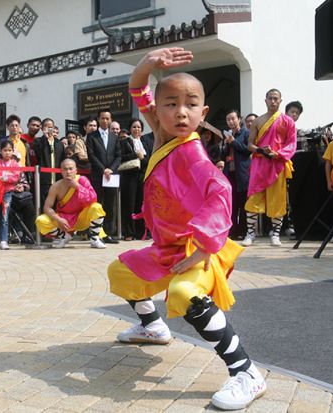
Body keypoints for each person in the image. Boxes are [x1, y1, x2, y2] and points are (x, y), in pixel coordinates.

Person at [108, 47, 265, 411]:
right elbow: (138, 90)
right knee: (121, 271)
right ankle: (152, 326)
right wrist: (148, 64)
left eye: (191, 104)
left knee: (184, 295)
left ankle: (246, 372)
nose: (181, 112)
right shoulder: (163, 135)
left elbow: (221, 190)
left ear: (203, 112)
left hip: (196, 250)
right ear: (158, 111)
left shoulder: (193, 154)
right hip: (166, 248)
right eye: (171, 104)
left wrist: (204, 249)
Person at [242, 89, 297, 247]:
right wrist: (260, 150)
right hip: (260, 164)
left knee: (277, 200)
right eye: (270, 98)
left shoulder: (288, 121)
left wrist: (278, 153)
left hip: (277, 164)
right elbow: (250, 144)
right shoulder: (258, 121)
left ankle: (276, 234)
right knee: (253, 198)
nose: (273, 101)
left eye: (276, 99)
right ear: (265, 100)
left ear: (280, 101)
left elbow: (291, 144)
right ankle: (250, 234)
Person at [35, 158, 106, 249]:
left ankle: (95, 238)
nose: (68, 172)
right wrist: (59, 219)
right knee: (40, 220)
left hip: (82, 217)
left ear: (76, 170)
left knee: (97, 207)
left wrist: (78, 187)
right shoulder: (56, 186)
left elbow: (93, 198)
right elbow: (47, 207)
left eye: (70, 169)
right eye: (65, 169)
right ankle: (64, 236)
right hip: (64, 220)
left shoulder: (82, 180)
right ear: (61, 171)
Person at [86, 109, 121, 242]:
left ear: (110, 120)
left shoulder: (114, 137)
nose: (105, 121)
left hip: (111, 177)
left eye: (107, 118)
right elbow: (91, 155)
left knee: (110, 205)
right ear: (99, 119)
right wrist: (103, 169)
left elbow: (118, 156)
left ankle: (108, 233)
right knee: (97, 205)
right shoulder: (92, 136)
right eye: (103, 118)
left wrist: (111, 169)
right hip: (97, 175)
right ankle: (96, 234)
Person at [223, 109, 251, 240]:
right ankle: (233, 231)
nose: (231, 121)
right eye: (228, 119)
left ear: (239, 119)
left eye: (233, 118)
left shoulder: (246, 133)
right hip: (230, 173)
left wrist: (233, 141)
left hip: (242, 173)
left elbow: (247, 150)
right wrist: (227, 145)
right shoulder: (227, 135)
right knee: (232, 204)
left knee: (243, 204)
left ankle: (244, 231)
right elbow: (223, 155)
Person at [119, 118, 146, 241]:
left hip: (142, 176)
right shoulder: (125, 142)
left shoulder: (145, 142)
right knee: (128, 204)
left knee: (140, 204)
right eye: (134, 127)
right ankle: (128, 232)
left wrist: (143, 158)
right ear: (130, 129)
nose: (136, 129)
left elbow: (149, 159)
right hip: (129, 176)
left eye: (139, 127)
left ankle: (140, 232)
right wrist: (136, 155)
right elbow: (121, 158)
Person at [33, 118, 65, 208]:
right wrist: (45, 139)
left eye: (51, 127)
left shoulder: (59, 144)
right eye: (46, 127)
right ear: (42, 128)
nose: (49, 129)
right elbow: (38, 154)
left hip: (58, 180)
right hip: (44, 180)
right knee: (44, 204)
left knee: (57, 205)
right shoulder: (38, 141)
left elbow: (63, 159)